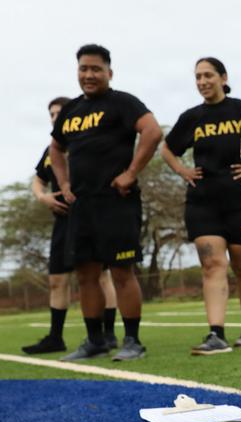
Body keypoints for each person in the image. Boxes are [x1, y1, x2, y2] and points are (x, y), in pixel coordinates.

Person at [50, 44, 163, 361]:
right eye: (83, 68)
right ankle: (95, 340)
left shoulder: (122, 103)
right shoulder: (70, 110)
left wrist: (130, 173)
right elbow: (55, 150)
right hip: (81, 205)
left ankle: (132, 340)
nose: (89, 74)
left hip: (116, 201)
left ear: (108, 72)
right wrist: (63, 183)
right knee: (85, 274)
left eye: (95, 69)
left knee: (121, 271)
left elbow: (152, 132)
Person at [161, 57, 241, 355]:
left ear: (223, 77)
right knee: (212, 264)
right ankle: (216, 334)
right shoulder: (191, 117)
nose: (203, 81)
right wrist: (183, 171)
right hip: (203, 202)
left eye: (208, 75)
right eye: (198, 77)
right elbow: (168, 149)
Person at [22, 97, 119, 355]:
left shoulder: (86, 143)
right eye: (51, 114)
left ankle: (107, 334)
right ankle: (56, 337)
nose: (55, 117)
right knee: (57, 280)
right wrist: (43, 197)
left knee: (100, 275)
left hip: (90, 217)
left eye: (60, 113)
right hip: (62, 223)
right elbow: (38, 180)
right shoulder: (50, 150)